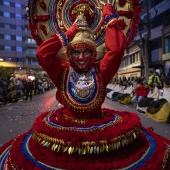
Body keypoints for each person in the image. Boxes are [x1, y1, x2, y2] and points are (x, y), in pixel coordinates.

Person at [0, 1, 170, 170]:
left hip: (99, 129)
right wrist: (69, 33)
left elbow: (116, 51)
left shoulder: (101, 73)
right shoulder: (62, 74)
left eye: (86, 51)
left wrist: (108, 16)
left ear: (94, 54)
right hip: (66, 133)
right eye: (76, 52)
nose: (81, 57)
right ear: (69, 54)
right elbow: (42, 54)